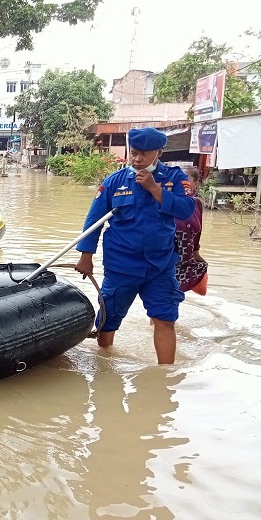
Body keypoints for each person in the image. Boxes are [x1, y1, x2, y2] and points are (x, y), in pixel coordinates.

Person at [73, 127, 195, 364]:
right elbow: (93, 221)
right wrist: (85, 257)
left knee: (165, 318)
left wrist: (154, 189)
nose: (138, 159)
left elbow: (187, 210)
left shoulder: (174, 178)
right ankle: (104, 364)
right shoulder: (114, 182)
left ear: (158, 152)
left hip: (160, 265)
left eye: (144, 154)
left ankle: (164, 379)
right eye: (134, 153)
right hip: (121, 266)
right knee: (109, 319)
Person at [175, 167, 208, 295]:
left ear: (195, 183)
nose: (180, 181)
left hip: (185, 258)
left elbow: (198, 232)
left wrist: (196, 254)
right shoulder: (166, 199)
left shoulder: (197, 204)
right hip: (167, 254)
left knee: (172, 299)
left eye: (185, 177)